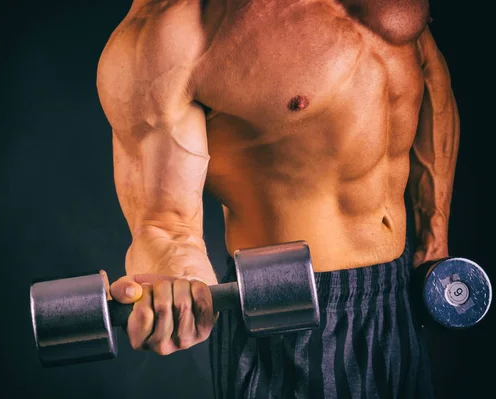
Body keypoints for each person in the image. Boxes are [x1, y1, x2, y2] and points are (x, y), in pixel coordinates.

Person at [96, 0, 459, 397]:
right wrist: (179, 286)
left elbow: (427, 72)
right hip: (287, 319)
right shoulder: (173, 29)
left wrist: (434, 242)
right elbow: (164, 226)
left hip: (400, 294)